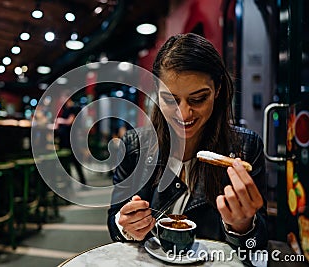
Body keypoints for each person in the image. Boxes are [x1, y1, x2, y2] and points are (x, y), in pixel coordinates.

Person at [107, 33, 267, 259]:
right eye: (170, 99)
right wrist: (126, 225)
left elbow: (256, 247)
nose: (183, 114)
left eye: (198, 99)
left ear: (218, 89)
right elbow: (115, 221)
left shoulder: (246, 148)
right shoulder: (134, 147)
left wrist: (242, 227)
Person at [55, 93, 87, 185]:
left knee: (74, 161)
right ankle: (69, 181)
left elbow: (70, 121)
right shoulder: (66, 109)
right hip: (65, 138)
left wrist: (60, 121)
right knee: (66, 161)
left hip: (70, 139)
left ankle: (81, 181)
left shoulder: (74, 108)